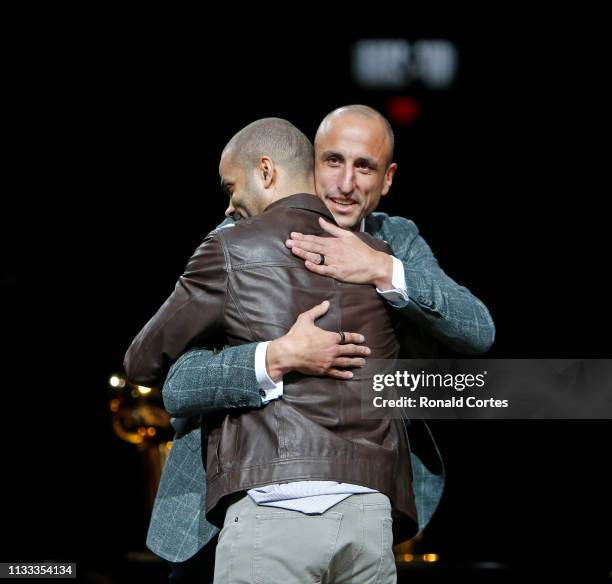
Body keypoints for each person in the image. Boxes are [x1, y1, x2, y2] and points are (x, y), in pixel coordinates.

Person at [126, 106, 495, 581]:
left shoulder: (393, 241)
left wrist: (383, 270)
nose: (344, 183)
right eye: (332, 161)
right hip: (233, 496)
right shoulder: (239, 238)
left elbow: (477, 331)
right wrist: (275, 357)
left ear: (387, 179)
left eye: (364, 167)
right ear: (306, 163)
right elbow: (178, 381)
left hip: (370, 496)